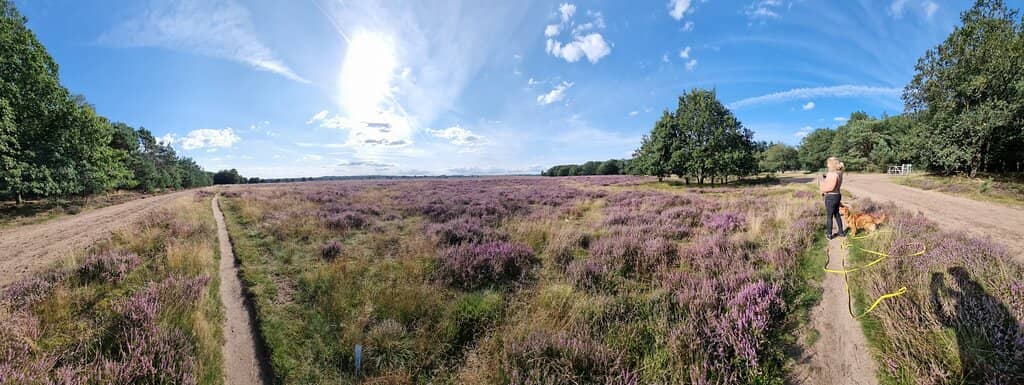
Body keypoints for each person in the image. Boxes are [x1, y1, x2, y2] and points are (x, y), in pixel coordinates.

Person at [819, 157, 845, 239]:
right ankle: (841, 232)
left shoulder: (832, 174)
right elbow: (834, 184)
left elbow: (830, 188)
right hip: (837, 195)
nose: (827, 165)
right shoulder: (839, 174)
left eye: (828, 163)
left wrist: (822, 187)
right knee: (837, 214)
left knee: (829, 216)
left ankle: (829, 234)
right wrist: (826, 178)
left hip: (831, 196)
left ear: (831, 164)